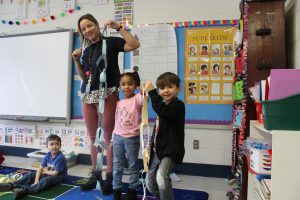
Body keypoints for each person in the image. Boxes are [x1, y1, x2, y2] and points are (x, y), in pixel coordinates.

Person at [72, 14, 140, 194]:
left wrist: (118, 27)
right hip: (88, 97)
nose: (87, 30)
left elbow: (134, 44)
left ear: (96, 24)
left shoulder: (111, 42)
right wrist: (76, 60)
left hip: (108, 95)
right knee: (94, 138)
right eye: (83, 29)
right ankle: (96, 174)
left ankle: (110, 178)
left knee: (109, 138)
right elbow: (84, 78)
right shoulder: (86, 51)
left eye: (89, 25)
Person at [143, 72, 185, 200]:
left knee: (161, 177)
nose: (166, 91)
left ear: (178, 89)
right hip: (157, 149)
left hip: (170, 150)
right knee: (150, 182)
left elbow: (164, 111)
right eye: (161, 88)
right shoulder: (162, 105)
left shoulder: (178, 106)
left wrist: (152, 92)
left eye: (170, 87)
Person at [0, 135, 67, 200]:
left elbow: (55, 173)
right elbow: (40, 168)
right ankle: (11, 185)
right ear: (47, 146)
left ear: (60, 146)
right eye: (51, 144)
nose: (54, 146)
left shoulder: (60, 158)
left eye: (57, 144)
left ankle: (26, 190)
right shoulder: (48, 155)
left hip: (59, 177)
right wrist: (36, 181)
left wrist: (44, 171)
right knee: (31, 174)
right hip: (48, 173)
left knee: (46, 180)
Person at [112, 71, 143, 200]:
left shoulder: (137, 99)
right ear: (119, 86)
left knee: (133, 164)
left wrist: (142, 88)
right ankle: (117, 189)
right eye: (123, 84)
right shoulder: (119, 101)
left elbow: (144, 95)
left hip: (132, 137)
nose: (126, 87)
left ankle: (133, 189)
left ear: (135, 85)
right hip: (117, 136)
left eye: (130, 84)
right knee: (117, 164)